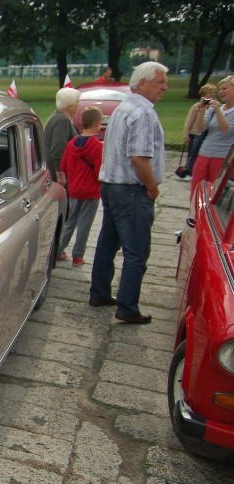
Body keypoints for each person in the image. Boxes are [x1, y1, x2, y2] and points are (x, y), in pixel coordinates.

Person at [89, 61, 168, 325]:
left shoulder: (124, 106)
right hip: (131, 189)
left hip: (111, 185)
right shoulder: (143, 113)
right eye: (161, 82)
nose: (165, 87)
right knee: (136, 252)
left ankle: (99, 293)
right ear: (142, 82)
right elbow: (138, 157)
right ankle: (127, 306)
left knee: (107, 244)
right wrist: (152, 186)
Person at [56, 106, 104, 266]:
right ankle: (78, 256)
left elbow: (64, 166)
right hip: (91, 191)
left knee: (70, 222)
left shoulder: (71, 144)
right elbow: (99, 172)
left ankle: (58, 249)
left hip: (74, 189)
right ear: (97, 124)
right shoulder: (97, 146)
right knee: (85, 225)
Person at [189, 75, 233, 197]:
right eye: (220, 89)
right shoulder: (213, 109)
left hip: (222, 158)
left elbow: (227, 131)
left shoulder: (218, 109)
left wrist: (219, 111)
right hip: (204, 153)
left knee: (214, 193)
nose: (221, 92)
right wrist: (202, 111)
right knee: (196, 191)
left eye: (225, 88)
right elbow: (200, 128)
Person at [180, 83, 217, 182]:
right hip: (195, 133)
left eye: (213, 92)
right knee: (193, 153)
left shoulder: (215, 106)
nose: (212, 94)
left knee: (201, 155)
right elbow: (189, 120)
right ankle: (188, 171)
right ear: (204, 94)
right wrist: (185, 134)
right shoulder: (196, 106)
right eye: (210, 92)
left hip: (207, 134)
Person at [43, 87, 80, 185]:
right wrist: (60, 174)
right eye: (77, 102)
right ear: (70, 106)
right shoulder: (62, 121)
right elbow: (58, 149)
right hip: (57, 174)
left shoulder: (56, 116)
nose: (78, 104)